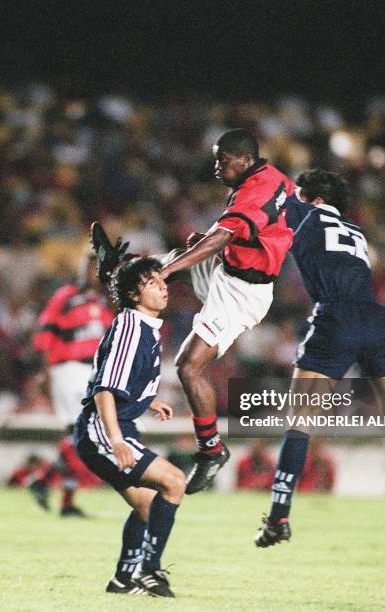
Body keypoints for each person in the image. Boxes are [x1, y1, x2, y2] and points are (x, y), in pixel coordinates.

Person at [254, 169, 385, 547]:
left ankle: (279, 516)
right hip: (376, 319)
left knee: (301, 418)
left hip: (337, 316)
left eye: (303, 194)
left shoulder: (307, 212)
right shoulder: (355, 230)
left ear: (314, 197)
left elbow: (273, 203)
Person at [92, 128, 295, 494]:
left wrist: (177, 266)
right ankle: (120, 268)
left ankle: (212, 450)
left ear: (245, 159)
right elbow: (263, 226)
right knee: (179, 258)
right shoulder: (273, 177)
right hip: (231, 268)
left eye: (223, 159)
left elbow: (225, 235)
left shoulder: (255, 190)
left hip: (241, 294)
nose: (216, 167)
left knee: (188, 365)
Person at [73, 256, 185, 598]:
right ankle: (149, 572)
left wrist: (147, 400)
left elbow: (116, 376)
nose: (164, 286)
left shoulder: (141, 325)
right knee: (174, 481)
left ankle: (123, 579)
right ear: (135, 295)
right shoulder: (132, 327)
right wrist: (116, 440)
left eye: (162, 281)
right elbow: (105, 387)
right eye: (153, 282)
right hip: (103, 431)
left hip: (109, 428)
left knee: (148, 506)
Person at [31, 253, 114, 516]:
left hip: (90, 373)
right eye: (89, 265)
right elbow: (45, 332)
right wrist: (45, 373)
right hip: (69, 369)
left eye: (97, 267)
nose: (93, 271)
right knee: (84, 434)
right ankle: (44, 481)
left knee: (79, 438)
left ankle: (56, 493)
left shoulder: (102, 304)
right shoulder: (66, 296)